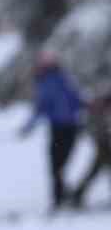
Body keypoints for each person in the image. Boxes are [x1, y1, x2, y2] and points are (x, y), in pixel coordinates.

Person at [19, 54, 85, 211]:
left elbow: (41, 109)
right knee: (60, 165)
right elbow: (78, 101)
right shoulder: (65, 79)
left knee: (56, 165)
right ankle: (64, 197)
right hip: (71, 127)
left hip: (59, 129)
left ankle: (60, 199)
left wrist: (28, 127)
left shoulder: (46, 84)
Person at [69, 96, 110, 207]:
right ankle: (77, 194)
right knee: (95, 170)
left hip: (104, 142)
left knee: (95, 169)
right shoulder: (96, 110)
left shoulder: (99, 108)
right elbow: (91, 127)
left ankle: (77, 194)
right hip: (103, 143)